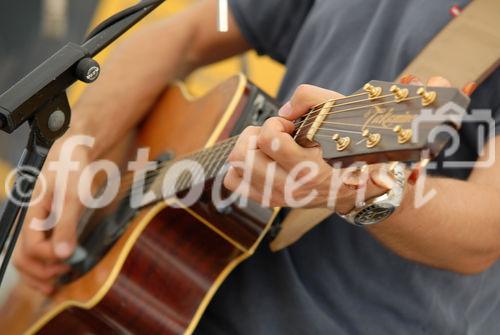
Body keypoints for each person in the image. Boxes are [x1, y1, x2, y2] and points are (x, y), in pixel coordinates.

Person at [13, 0, 500, 334]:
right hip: (164, 302)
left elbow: (485, 231)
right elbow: (188, 32)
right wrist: (77, 151)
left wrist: (357, 192)